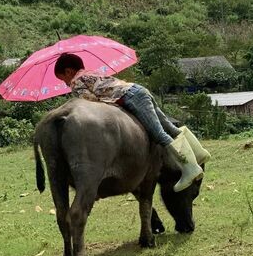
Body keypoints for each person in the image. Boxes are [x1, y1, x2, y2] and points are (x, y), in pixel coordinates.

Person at [53, 53, 210, 191]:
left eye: (63, 79)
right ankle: (199, 153)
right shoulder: (90, 73)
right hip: (138, 90)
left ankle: (190, 168)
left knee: (159, 134)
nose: (66, 84)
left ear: (69, 71)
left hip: (131, 98)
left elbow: (89, 103)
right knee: (168, 127)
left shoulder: (77, 81)